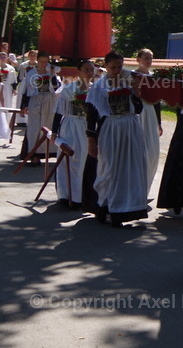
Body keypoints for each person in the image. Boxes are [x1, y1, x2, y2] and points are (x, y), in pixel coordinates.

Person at [86, 51, 149, 227]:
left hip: (130, 127)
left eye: (119, 67)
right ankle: (104, 206)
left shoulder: (129, 83)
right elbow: (91, 115)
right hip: (111, 128)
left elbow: (137, 110)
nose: (116, 70)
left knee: (129, 168)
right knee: (109, 168)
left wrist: (136, 94)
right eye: (113, 67)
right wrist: (91, 139)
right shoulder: (98, 87)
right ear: (105, 66)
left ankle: (124, 210)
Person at [52, 59, 97, 209]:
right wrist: (54, 131)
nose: (90, 73)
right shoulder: (69, 88)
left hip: (87, 127)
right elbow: (59, 111)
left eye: (92, 70)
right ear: (79, 71)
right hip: (70, 126)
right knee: (67, 160)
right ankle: (64, 195)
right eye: (86, 69)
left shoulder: (96, 89)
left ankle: (79, 197)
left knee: (83, 161)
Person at [18, 50, 62, 164]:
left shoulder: (51, 71)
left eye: (45, 62)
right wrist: (24, 106)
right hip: (36, 100)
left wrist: (52, 74)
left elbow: (57, 87)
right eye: (41, 61)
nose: (43, 64)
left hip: (49, 100)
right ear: (38, 61)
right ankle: (33, 154)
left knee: (47, 125)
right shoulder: (31, 73)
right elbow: (26, 90)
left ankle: (46, 153)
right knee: (34, 127)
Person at [134, 48, 163, 192]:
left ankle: (146, 186)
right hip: (137, 113)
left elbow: (157, 102)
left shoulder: (154, 77)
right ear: (138, 59)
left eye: (150, 58)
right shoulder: (132, 76)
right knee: (138, 149)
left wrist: (159, 122)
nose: (149, 61)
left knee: (152, 150)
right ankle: (136, 187)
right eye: (146, 58)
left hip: (150, 114)